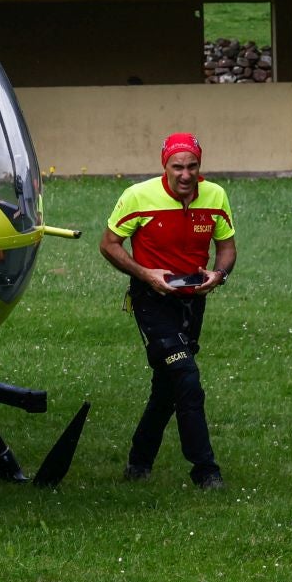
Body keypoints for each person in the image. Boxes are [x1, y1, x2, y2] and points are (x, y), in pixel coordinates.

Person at [98, 132, 237, 490]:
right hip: (151, 301)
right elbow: (109, 244)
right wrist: (146, 274)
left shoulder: (216, 196)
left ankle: (138, 462)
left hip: (194, 301)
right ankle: (206, 470)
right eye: (178, 166)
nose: (186, 174)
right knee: (187, 378)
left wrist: (218, 275)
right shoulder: (137, 197)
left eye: (192, 166)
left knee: (167, 387)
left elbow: (227, 248)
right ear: (165, 165)